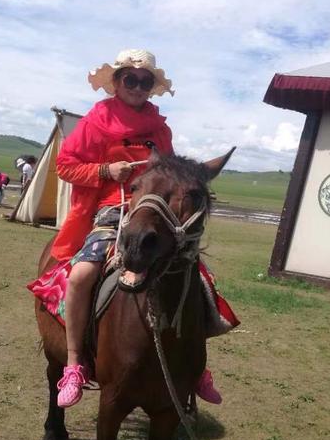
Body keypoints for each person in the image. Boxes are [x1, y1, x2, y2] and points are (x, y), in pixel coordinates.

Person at [51, 48, 221, 408]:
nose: (138, 86)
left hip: (155, 212)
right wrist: (104, 172)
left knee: (196, 273)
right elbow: (65, 166)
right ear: (116, 82)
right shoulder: (95, 121)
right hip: (112, 209)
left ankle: (195, 365)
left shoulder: (160, 128)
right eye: (131, 79)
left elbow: (172, 173)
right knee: (82, 274)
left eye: (145, 81)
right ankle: (72, 363)